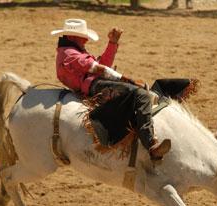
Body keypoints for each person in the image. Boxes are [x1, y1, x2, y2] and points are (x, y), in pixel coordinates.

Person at [51, 18, 171, 161]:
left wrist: (112, 43)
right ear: (71, 37)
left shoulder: (69, 51)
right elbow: (98, 69)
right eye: (83, 38)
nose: (86, 41)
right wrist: (129, 80)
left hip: (93, 84)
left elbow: (101, 66)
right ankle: (151, 144)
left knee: (136, 92)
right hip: (94, 86)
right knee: (141, 95)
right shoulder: (70, 53)